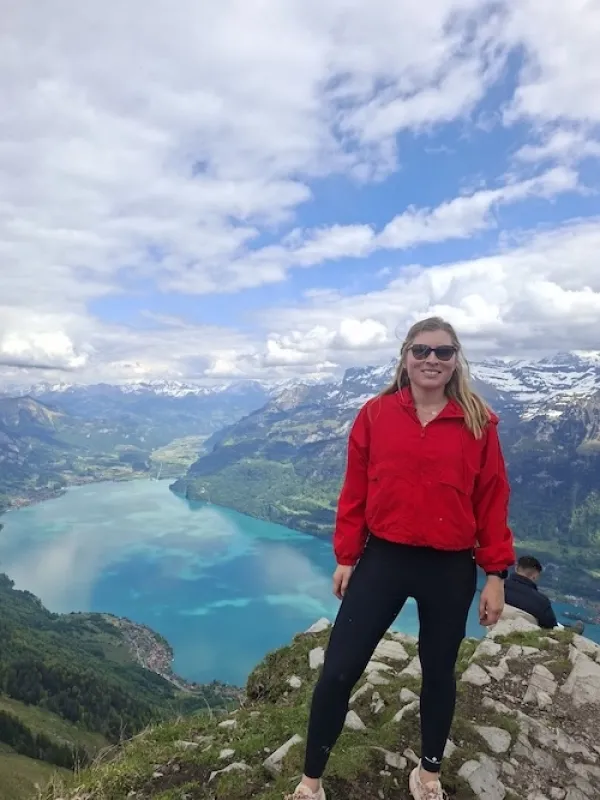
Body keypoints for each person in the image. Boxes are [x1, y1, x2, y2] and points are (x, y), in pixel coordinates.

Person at [286, 317, 516, 800]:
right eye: (422, 350)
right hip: (384, 558)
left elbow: (492, 500)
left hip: (450, 566)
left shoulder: (478, 421)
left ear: (456, 361)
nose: (432, 360)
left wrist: (495, 574)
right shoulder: (375, 414)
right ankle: (310, 783)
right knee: (338, 671)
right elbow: (354, 491)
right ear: (405, 357)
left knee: (438, 672)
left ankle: (427, 775)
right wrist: (347, 557)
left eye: (443, 352)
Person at [504, 555, 583, 632]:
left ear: (516, 568)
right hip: (525, 631)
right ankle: (571, 631)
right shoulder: (541, 601)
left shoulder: (498, 587)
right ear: (535, 575)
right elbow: (551, 626)